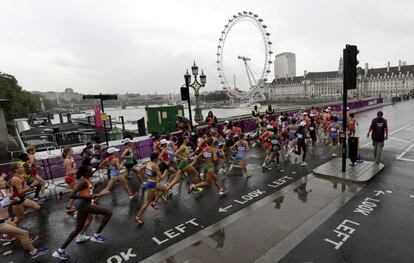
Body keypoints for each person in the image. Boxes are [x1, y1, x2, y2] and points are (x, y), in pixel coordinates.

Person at [52, 165, 112, 260]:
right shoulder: (83, 182)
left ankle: (60, 251)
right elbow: (72, 195)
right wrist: (88, 197)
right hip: (84, 205)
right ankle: (96, 235)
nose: (92, 171)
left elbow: (88, 191)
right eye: (90, 170)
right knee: (108, 213)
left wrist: (96, 186)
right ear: (86, 173)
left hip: (82, 205)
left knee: (78, 228)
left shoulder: (87, 179)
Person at [0, 176, 48, 258]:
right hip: (1, 223)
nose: (4, 182)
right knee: (24, 233)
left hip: (5, 220)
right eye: (1, 181)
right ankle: (33, 252)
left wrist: (12, 199)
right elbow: (2, 204)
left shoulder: (2, 192)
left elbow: (5, 205)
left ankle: (26, 245)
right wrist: (10, 198)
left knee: (19, 232)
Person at [134, 152, 169, 225]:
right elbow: (161, 177)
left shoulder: (147, 163)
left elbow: (140, 170)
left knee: (165, 189)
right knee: (147, 202)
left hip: (151, 182)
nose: (159, 159)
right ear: (156, 159)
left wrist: (145, 177)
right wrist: (165, 173)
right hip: (152, 184)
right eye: (158, 158)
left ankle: (154, 202)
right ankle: (138, 217)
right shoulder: (155, 166)